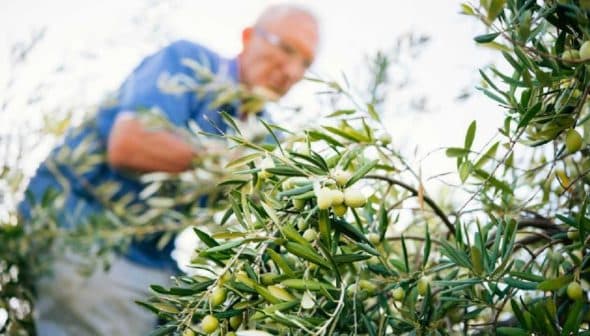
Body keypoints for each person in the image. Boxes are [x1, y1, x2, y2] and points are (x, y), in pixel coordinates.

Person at [18, 4, 319, 335]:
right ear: (249, 37)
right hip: (82, 234)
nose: (292, 70)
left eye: (305, 63)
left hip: (152, 259)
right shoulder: (190, 64)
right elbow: (130, 143)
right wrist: (225, 161)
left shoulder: (264, 133)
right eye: (287, 48)